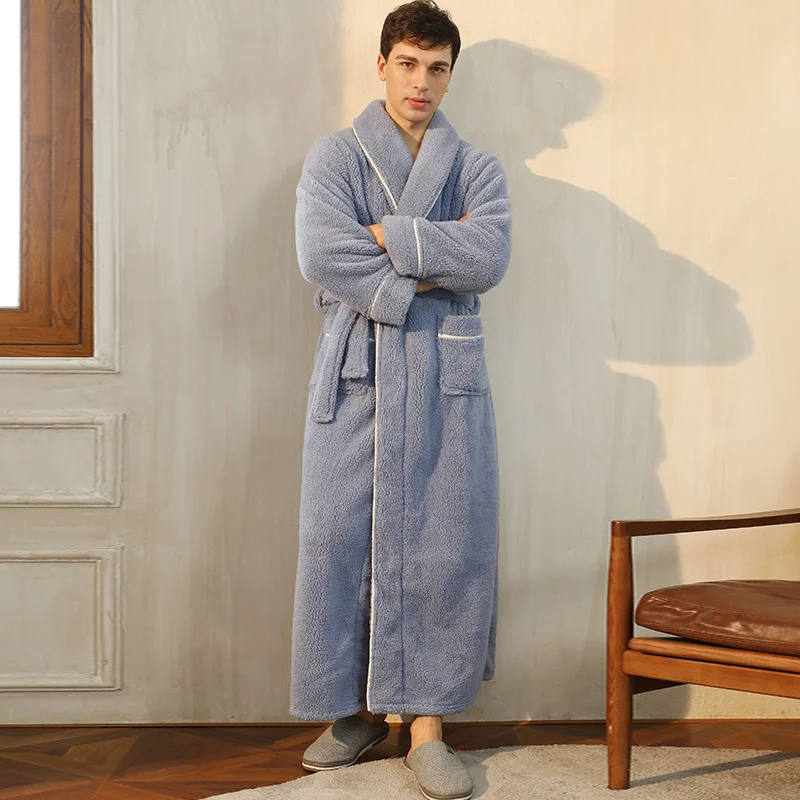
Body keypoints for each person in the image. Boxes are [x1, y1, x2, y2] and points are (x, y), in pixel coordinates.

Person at [289, 2, 512, 797]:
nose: (422, 82)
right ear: (382, 65)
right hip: (356, 376)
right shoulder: (335, 157)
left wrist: (388, 236)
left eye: (438, 67)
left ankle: (427, 725)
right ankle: (354, 710)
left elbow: (487, 257)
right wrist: (425, 261)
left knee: (445, 543)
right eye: (409, 64)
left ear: (452, 73)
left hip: (447, 381)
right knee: (337, 541)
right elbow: (321, 250)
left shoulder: (476, 167)